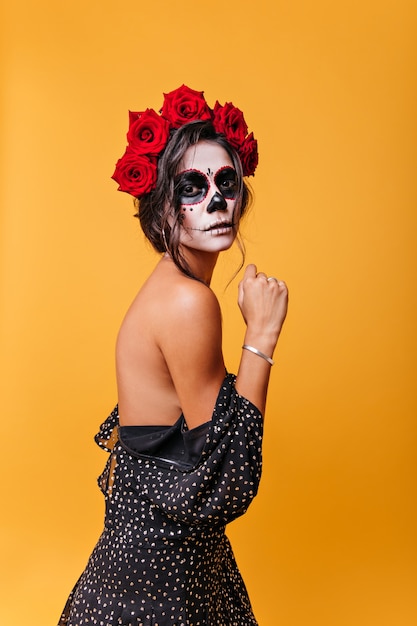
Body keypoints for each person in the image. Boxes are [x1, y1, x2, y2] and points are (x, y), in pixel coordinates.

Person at [58, 85, 288, 626]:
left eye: (225, 182)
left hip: (159, 560)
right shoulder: (188, 301)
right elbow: (229, 481)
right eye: (192, 186)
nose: (215, 203)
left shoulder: (173, 287)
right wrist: (263, 337)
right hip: (159, 577)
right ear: (162, 203)